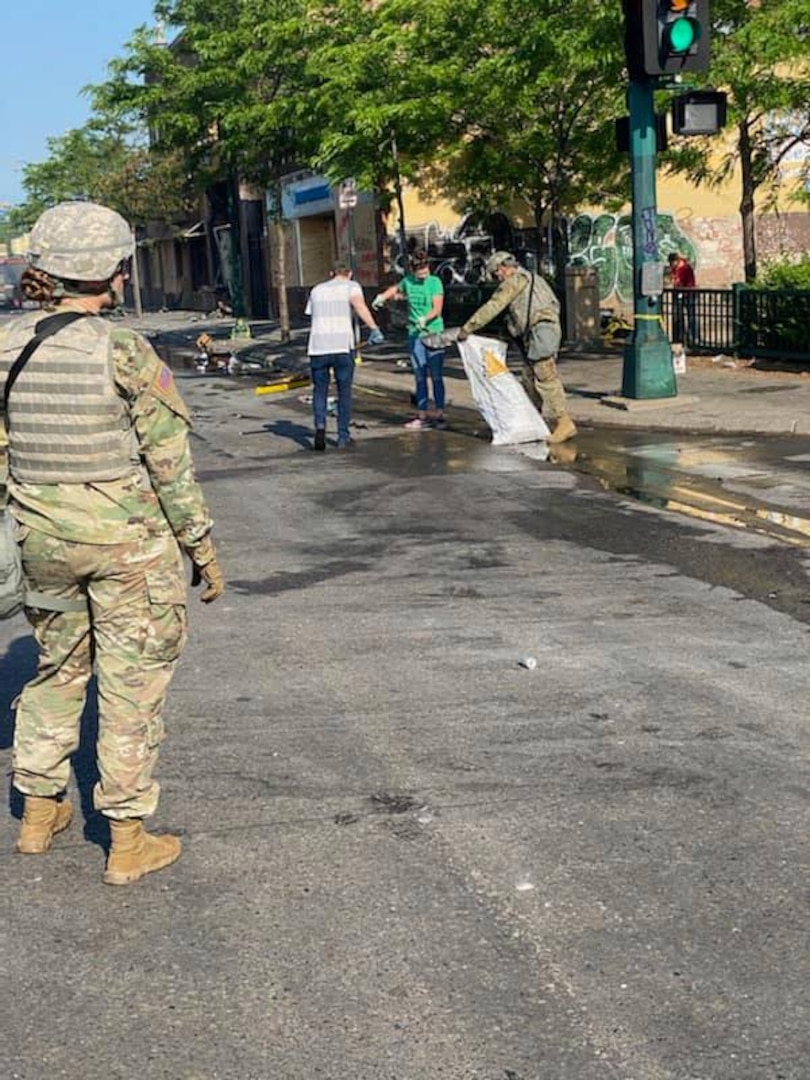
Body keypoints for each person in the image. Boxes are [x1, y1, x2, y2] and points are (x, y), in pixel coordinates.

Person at [0, 201, 225, 886]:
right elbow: (169, 465)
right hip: (127, 549)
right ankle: (127, 840)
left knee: (57, 670)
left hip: (41, 540)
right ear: (113, 272)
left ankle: (40, 814)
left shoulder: (5, 345)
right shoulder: (122, 348)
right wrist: (202, 549)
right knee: (131, 686)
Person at [457, 251, 576, 443]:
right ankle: (531, 422)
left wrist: (468, 327)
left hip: (540, 331)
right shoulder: (535, 279)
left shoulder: (514, 281)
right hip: (544, 331)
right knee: (529, 378)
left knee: (545, 376)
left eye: (497, 274)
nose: (498, 278)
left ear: (503, 267)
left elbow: (494, 306)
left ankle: (563, 422)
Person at [305, 260, 383, 450]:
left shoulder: (316, 290)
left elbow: (311, 314)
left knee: (319, 390)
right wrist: (374, 328)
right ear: (349, 274)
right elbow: (359, 306)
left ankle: (320, 425)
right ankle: (342, 436)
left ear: (332, 273)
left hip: (318, 347)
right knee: (344, 392)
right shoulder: (352, 286)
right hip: (342, 347)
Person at [373, 250, 447, 430]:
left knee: (436, 376)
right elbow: (396, 289)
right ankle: (422, 415)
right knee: (419, 376)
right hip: (415, 335)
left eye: (426, 270)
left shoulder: (435, 282)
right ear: (413, 271)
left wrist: (426, 319)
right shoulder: (408, 281)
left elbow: (437, 309)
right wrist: (383, 297)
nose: (423, 275)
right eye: (420, 272)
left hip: (434, 333)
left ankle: (439, 414)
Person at [668, 252, 698, 345]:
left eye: (671, 263)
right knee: (679, 316)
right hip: (679, 294)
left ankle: (693, 337)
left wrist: (682, 290)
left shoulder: (685, 268)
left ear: (676, 261)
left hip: (688, 294)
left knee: (691, 316)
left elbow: (689, 282)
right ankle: (680, 337)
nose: (671, 265)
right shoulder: (676, 269)